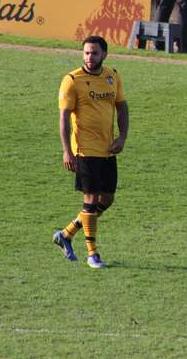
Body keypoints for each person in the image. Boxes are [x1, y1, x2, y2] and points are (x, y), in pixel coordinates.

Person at [53, 36, 129, 269]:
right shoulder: (72, 80)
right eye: (86, 53)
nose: (89, 57)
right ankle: (92, 254)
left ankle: (66, 234)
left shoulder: (112, 76)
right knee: (91, 199)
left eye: (94, 53)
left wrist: (122, 137)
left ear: (104, 54)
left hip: (108, 150)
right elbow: (64, 118)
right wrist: (67, 151)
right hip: (85, 151)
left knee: (106, 199)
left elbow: (122, 107)